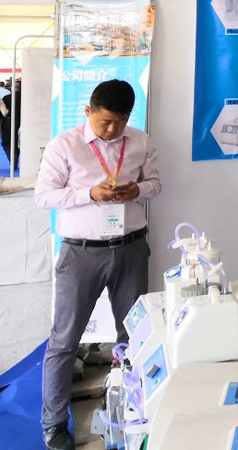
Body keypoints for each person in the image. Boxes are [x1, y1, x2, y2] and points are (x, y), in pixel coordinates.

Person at [34, 80, 161, 450]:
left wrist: (138, 190)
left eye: (120, 122)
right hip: (82, 253)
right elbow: (44, 196)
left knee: (134, 337)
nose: (111, 130)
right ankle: (54, 425)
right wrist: (89, 193)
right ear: (88, 112)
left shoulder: (141, 142)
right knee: (64, 341)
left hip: (131, 248)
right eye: (105, 122)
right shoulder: (65, 146)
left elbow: (155, 184)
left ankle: (132, 412)